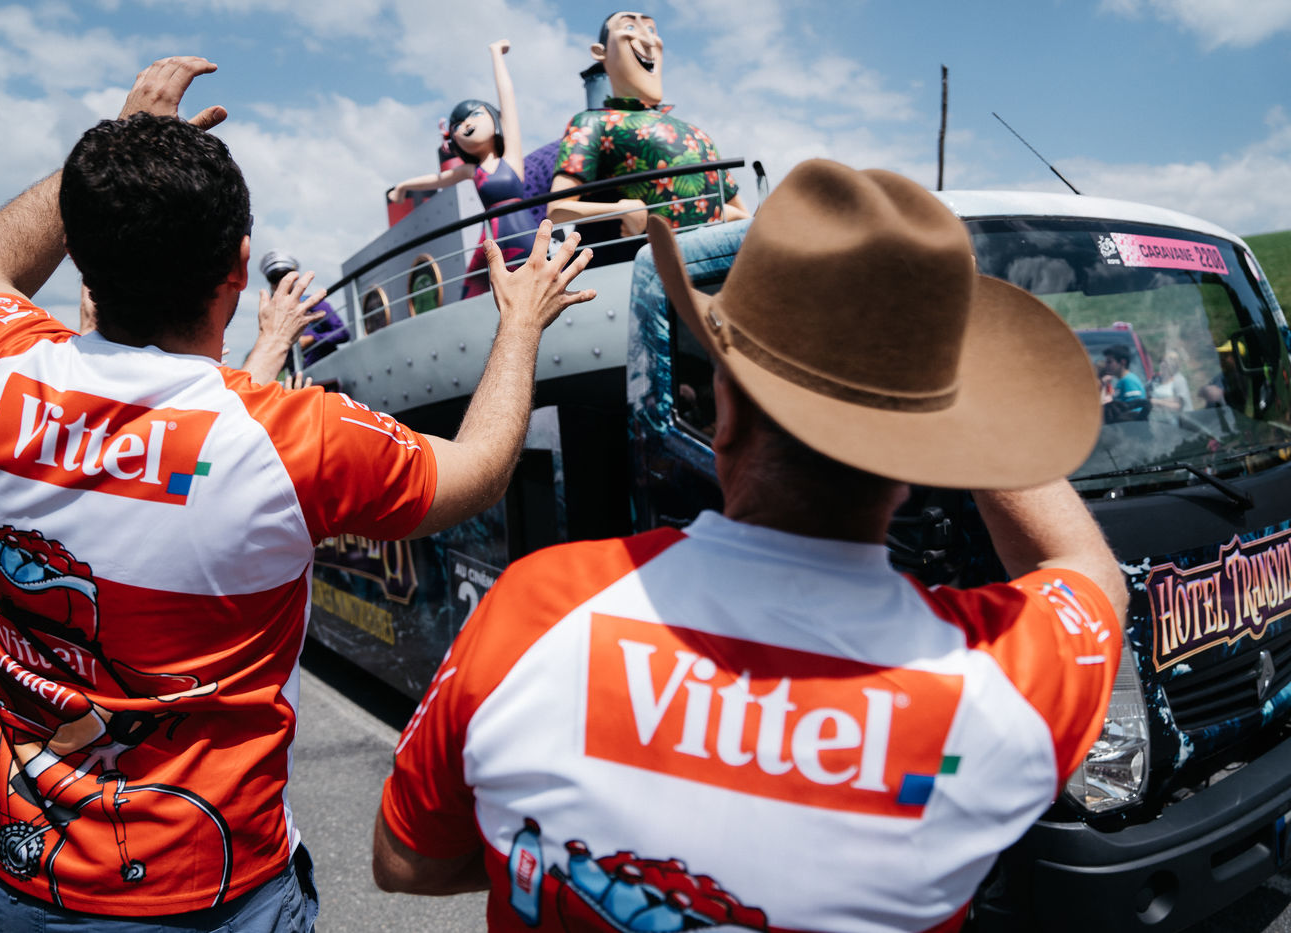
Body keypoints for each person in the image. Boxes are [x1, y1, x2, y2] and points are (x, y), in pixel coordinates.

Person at [373, 160, 1128, 932]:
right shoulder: (999, 686)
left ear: (724, 409)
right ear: (932, 450)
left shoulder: (535, 610)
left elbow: (404, 861)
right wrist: (962, 380)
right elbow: (1087, 573)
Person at [0, 56, 593, 933]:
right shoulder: (291, 437)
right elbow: (477, 469)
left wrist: (117, 152)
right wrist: (521, 325)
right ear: (239, 268)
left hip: (19, 878)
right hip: (213, 892)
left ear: (85, 263)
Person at [547, 11, 750, 264]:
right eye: (630, 28)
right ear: (600, 53)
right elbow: (557, 210)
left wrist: (727, 214)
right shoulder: (592, 123)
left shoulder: (697, 135)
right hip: (644, 265)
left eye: (652, 30)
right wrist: (619, 210)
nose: (647, 39)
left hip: (717, 263)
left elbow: (742, 214)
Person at [389, 40, 540, 298]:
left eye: (475, 115)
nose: (467, 125)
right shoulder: (472, 171)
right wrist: (403, 186)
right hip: (491, 234)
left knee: (531, 278)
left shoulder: (511, 156)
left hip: (520, 227)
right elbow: (438, 179)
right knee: (475, 288)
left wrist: (496, 54)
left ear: (494, 119)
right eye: (458, 125)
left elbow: (507, 96)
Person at [255, 249, 348, 369]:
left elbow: (343, 333)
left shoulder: (313, 303)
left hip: (328, 370)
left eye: (285, 274)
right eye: (274, 277)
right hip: (297, 376)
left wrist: (313, 339)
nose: (281, 281)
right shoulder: (271, 316)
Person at [1148, 346, 1194, 420]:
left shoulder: (1179, 380)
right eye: (1162, 361)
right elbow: (1147, 395)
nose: (1163, 364)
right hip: (1157, 420)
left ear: (1175, 365)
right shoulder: (1156, 380)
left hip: (1178, 421)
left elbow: (1180, 405)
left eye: (1167, 362)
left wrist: (1157, 402)